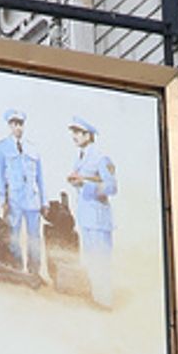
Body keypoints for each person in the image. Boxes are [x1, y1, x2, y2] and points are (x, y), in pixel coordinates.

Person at [66, 116, 118, 306]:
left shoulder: (100, 157)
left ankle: (105, 301)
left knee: (101, 260)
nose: (74, 136)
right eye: (73, 132)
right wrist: (77, 182)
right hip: (86, 216)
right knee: (91, 259)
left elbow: (112, 187)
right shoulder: (80, 156)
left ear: (87, 134)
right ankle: (97, 299)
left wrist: (85, 184)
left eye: (77, 132)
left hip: (98, 217)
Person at [0, 108, 46, 276]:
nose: (18, 127)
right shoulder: (1, 147)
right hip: (14, 200)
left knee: (34, 238)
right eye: (14, 124)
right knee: (14, 237)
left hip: (32, 200)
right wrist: (3, 200)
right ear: (9, 125)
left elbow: (41, 178)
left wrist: (44, 202)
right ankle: (17, 270)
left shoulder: (33, 148)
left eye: (20, 124)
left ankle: (34, 273)